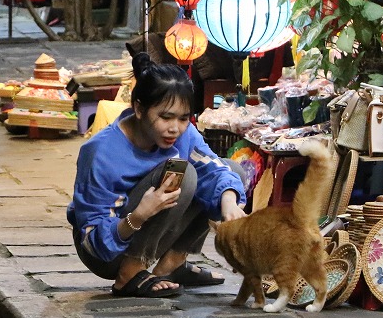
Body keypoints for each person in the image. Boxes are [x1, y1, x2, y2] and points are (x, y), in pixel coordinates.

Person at [67, 53, 248, 298]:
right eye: (165, 117)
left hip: (148, 231)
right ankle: (129, 273)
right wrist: (140, 215)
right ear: (139, 108)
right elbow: (93, 241)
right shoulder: (100, 152)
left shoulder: (183, 134)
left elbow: (215, 169)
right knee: (184, 173)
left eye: (183, 118)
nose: (175, 128)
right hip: (107, 253)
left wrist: (229, 203)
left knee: (231, 172)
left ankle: (171, 264)